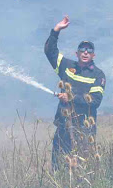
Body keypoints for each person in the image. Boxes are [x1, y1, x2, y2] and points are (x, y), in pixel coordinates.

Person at [44, 16, 106, 169]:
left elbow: (95, 101)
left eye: (89, 50)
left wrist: (71, 98)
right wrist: (56, 30)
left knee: (81, 167)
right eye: (82, 50)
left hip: (84, 130)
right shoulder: (66, 66)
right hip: (63, 126)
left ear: (93, 55)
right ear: (76, 53)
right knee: (58, 165)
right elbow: (50, 52)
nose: (85, 52)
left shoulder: (98, 75)